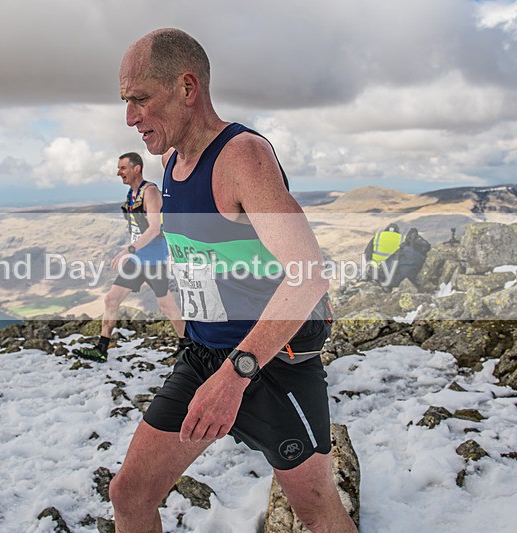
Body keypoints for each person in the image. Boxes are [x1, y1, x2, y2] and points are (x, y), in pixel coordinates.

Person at [110, 28, 357, 532]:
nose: (130, 118)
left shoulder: (243, 157)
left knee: (315, 511)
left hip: (270, 365)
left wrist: (234, 375)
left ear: (186, 87)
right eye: (125, 102)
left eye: (140, 99)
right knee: (130, 495)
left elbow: (307, 274)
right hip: (205, 356)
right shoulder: (172, 160)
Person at [73, 152, 186, 362]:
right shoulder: (131, 194)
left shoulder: (150, 192)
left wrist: (128, 250)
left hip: (153, 262)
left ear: (136, 169)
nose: (119, 173)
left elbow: (154, 228)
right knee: (111, 299)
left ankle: (187, 346)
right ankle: (101, 349)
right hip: (136, 262)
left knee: (167, 306)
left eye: (123, 168)